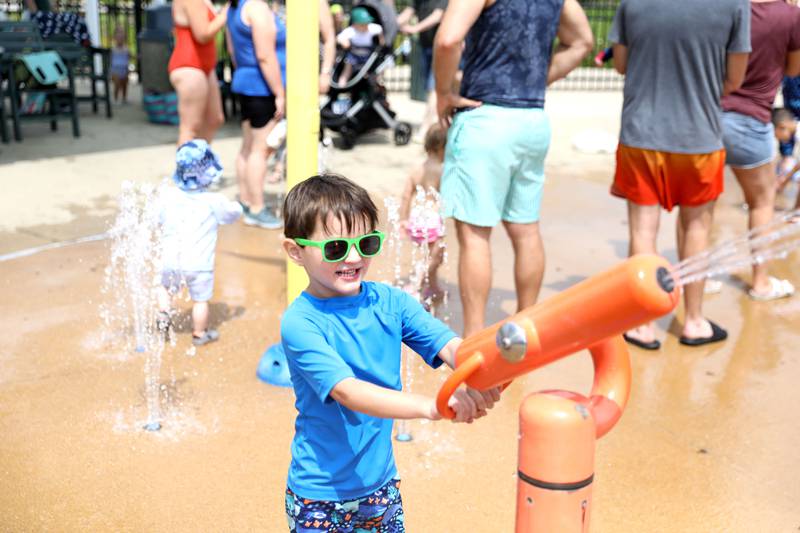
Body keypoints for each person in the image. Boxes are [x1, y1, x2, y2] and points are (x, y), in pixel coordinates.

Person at [280, 173, 500, 531]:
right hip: (318, 495)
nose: (353, 257)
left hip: (381, 488)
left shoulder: (392, 303)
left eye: (366, 244)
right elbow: (348, 391)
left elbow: (450, 346)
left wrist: (487, 373)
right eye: (335, 248)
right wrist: (432, 407)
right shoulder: (301, 323)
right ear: (295, 251)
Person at [434, 0, 593, 337]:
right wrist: (537, 80)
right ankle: (529, 327)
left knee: (475, 235)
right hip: (532, 120)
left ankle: (475, 336)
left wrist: (443, 92)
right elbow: (583, 41)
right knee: (526, 230)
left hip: (485, 118)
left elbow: (448, 39)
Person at [609, 0, 750, 349]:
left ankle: (642, 325)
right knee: (697, 229)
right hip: (699, 139)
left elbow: (622, 64)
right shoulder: (734, 4)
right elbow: (734, 79)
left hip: (641, 135)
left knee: (643, 229)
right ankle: (695, 321)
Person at [720, 0, 800, 301]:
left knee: (700, 203)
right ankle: (761, 282)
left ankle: (701, 283)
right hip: (750, 120)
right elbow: (794, 68)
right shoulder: (790, 14)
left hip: (707, 117)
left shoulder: (726, 7)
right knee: (762, 202)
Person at [156, 140, 244, 346]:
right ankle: (199, 334)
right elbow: (231, 215)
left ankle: (162, 315)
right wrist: (239, 206)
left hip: (170, 260)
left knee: (165, 288)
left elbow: (158, 218)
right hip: (199, 265)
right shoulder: (214, 201)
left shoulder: (168, 196)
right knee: (200, 300)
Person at [226, 0, 286, 229]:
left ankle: (245, 199)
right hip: (262, 87)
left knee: (248, 147)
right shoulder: (257, 8)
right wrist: (279, 92)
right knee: (260, 150)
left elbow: (233, 50)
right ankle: (257, 209)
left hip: (245, 81)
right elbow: (264, 55)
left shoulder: (235, 7)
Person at [167, 0, 228, 146]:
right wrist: (225, 14)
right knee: (190, 127)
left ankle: (199, 162)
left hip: (205, 66)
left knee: (214, 119)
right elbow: (203, 34)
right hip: (189, 65)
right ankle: (188, 167)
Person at [399, 124, 447, 303]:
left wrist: (403, 220)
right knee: (435, 257)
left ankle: (433, 287)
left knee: (430, 255)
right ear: (442, 147)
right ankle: (416, 285)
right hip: (432, 221)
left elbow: (405, 196)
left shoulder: (416, 168)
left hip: (416, 220)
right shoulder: (441, 170)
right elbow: (445, 198)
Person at [396, 0, 447, 143]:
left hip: (442, 48)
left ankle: (425, 127)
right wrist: (390, 24)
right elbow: (408, 11)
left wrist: (415, 28)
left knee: (433, 88)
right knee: (431, 89)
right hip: (426, 47)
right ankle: (435, 124)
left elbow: (437, 16)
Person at [336, 6, 384, 86]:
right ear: (355, 24)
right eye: (362, 24)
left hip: (369, 55)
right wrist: (344, 42)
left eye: (366, 23)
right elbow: (338, 38)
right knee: (347, 68)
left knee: (376, 71)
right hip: (354, 55)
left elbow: (380, 35)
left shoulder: (373, 28)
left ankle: (376, 89)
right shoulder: (351, 31)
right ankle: (342, 86)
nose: (365, 26)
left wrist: (380, 42)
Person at [110, 27, 130, 104]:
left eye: (122, 36)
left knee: (124, 85)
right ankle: (115, 98)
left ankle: (124, 98)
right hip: (115, 70)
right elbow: (110, 59)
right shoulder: (113, 49)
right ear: (115, 37)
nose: (120, 38)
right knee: (117, 85)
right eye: (118, 36)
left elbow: (129, 57)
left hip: (124, 69)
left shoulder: (126, 48)